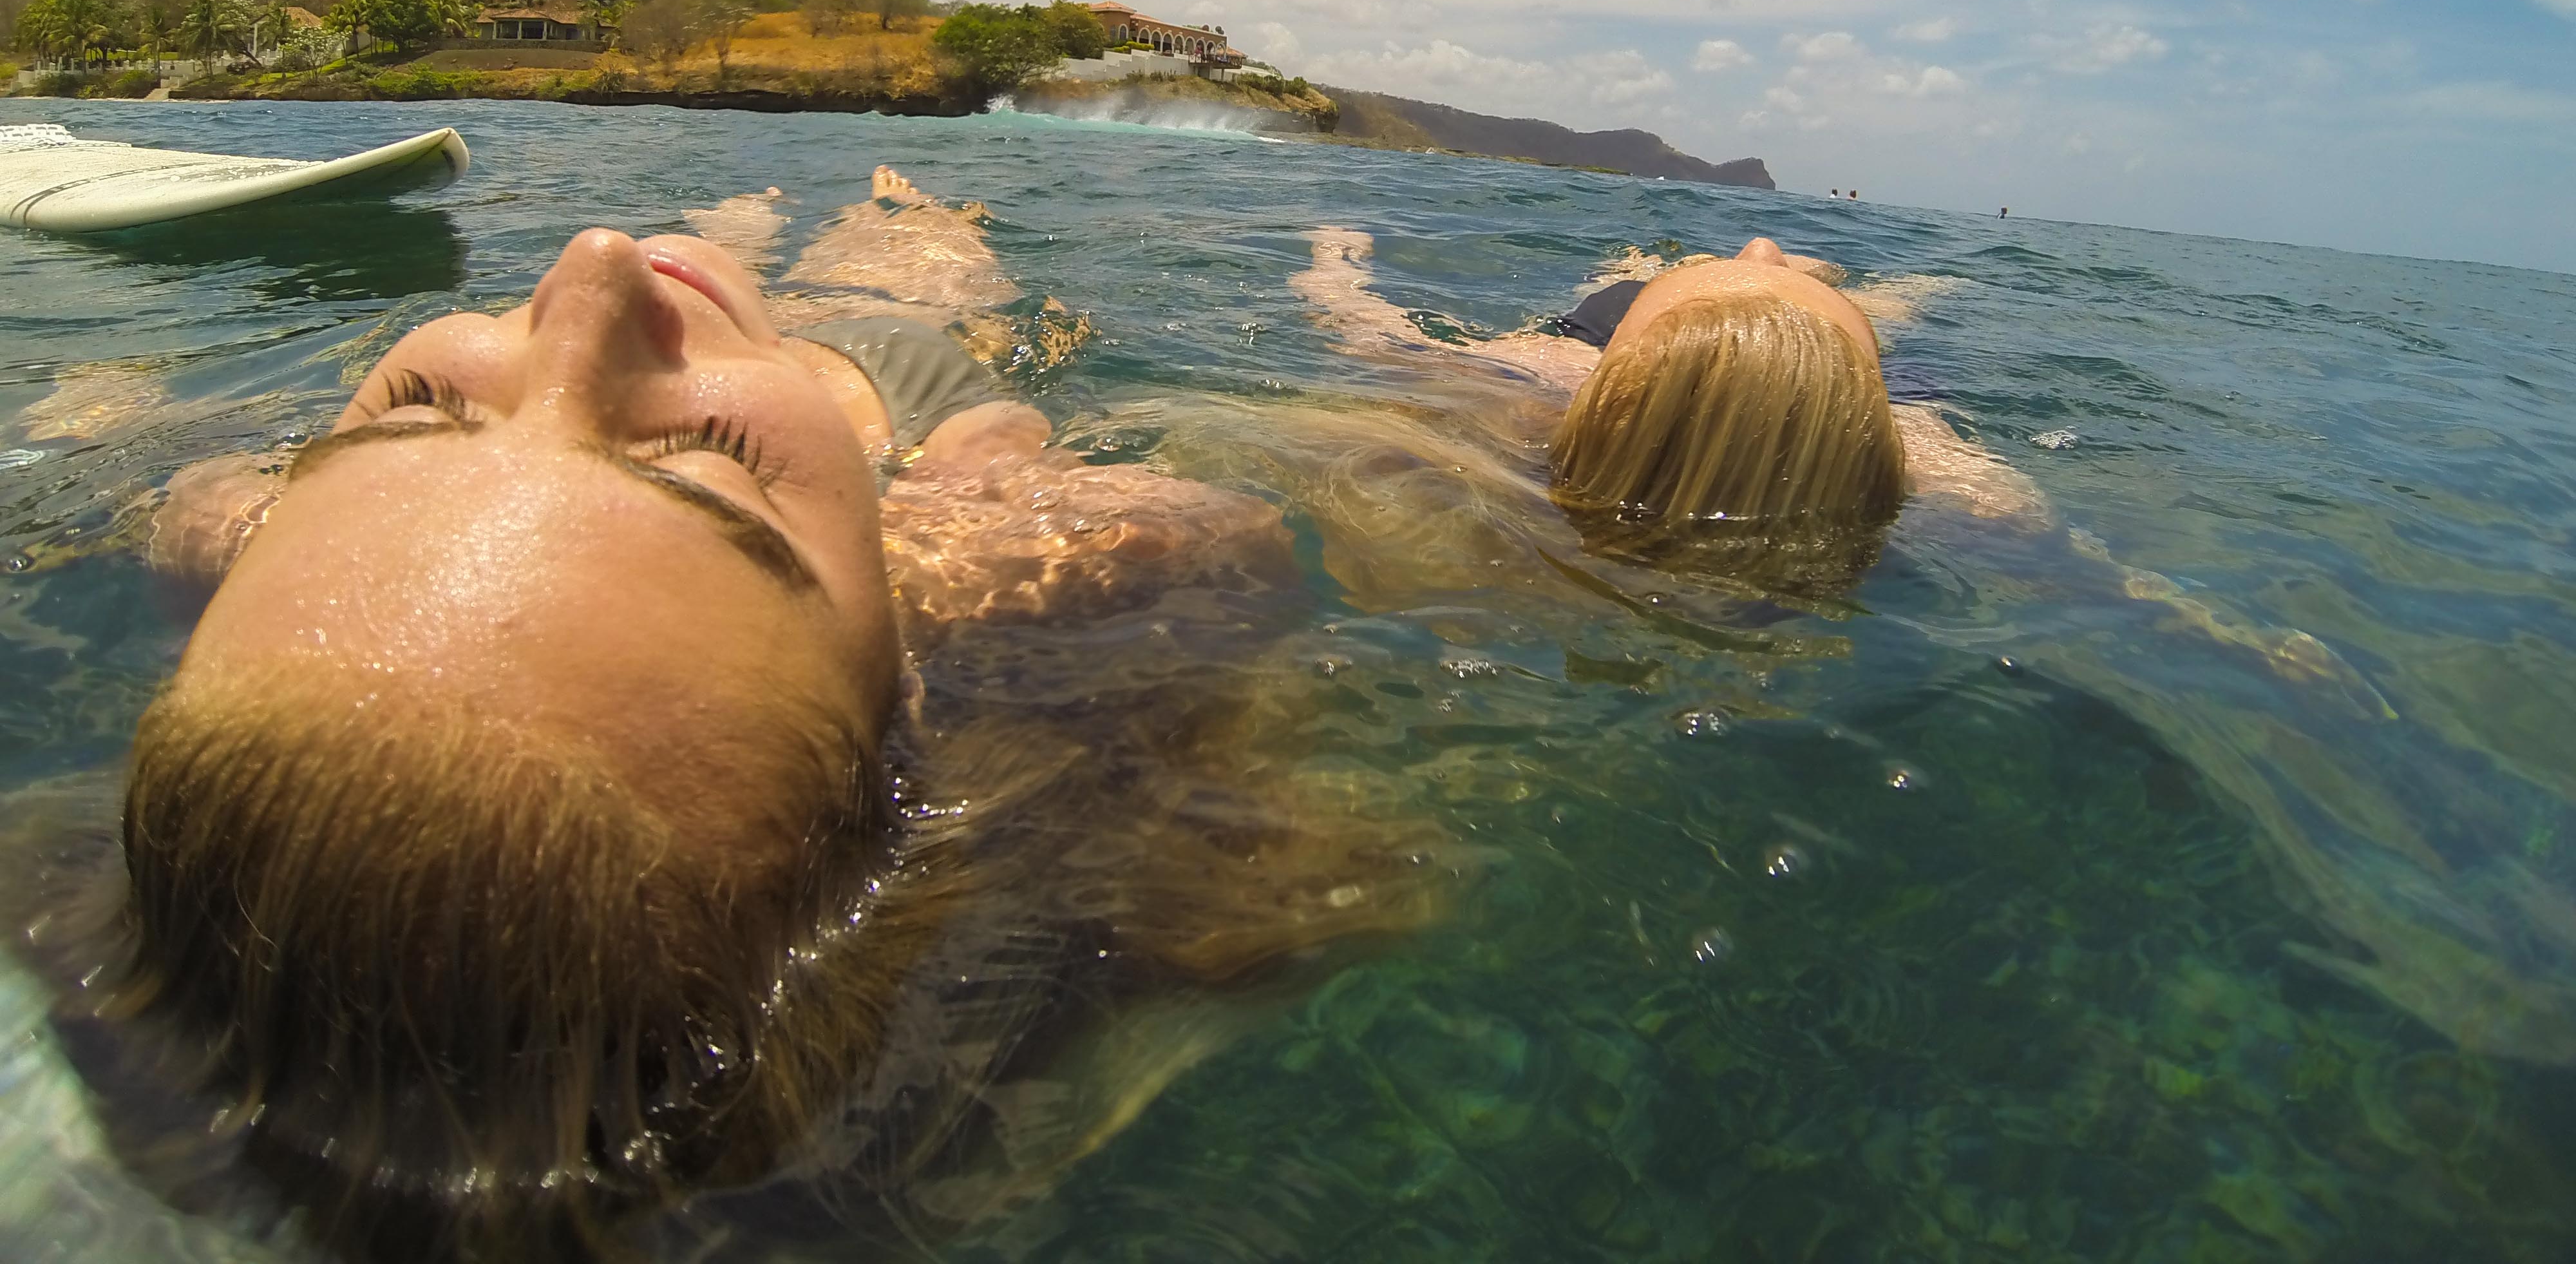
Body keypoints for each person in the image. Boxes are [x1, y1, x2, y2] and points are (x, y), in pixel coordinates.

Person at [85, 169, 1422, 1260]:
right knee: (921, 262)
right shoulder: (987, 598)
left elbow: (197, 503)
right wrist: (941, 560)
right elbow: (1226, 540)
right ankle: (878, 223)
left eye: (415, 414)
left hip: (785, 414)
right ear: (901, 699)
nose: (586, 265)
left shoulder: (221, 527)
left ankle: (749, 252)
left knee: (730, 251)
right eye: (702, 471)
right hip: (916, 417)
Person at [1288, 227, 2040, 588]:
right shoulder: (1913, 437)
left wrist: (1332, 256)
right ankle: (1887, 295)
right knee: (1894, 305)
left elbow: (1365, 331)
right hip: (1805, 376)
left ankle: (1638, 270)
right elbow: (2016, 522)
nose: (1761, 245)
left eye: (1758, 263)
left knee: (1633, 273)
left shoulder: (1553, 371)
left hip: (1643, 336)